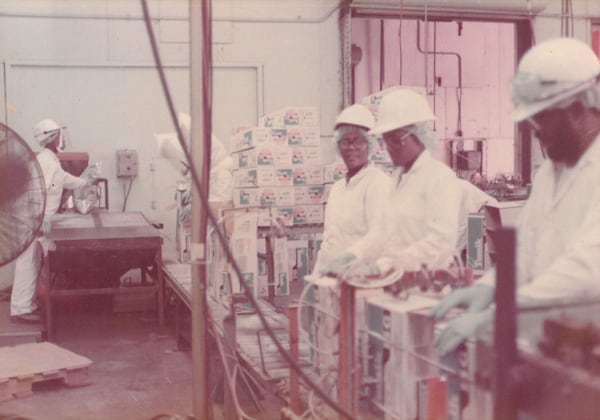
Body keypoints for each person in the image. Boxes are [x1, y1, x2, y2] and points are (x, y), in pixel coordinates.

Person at [429, 37, 600, 356]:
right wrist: (489, 286)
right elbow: (526, 246)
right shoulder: (553, 170)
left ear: (577, 110)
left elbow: (586, 270)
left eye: (541, 118)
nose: (535, 131)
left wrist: (498, 314)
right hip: (547, 339)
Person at [327, 89, 463, 280]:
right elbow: (382, 234)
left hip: (429, 282)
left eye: (395, 141)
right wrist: (353, 256)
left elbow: (439, 243)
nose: (389, 148)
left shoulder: (439, 178)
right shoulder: (398, 180)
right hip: (398, 281)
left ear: (418, 135)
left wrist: (385, 265)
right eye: (386, 141)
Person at [10, 119, 93, 323]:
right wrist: (41, 220)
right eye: (59, 135)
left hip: (37, 218)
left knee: (33, 261)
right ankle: (20, 309)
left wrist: (85, 182)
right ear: (52, 138)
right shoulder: (46, 161)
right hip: (35, 219)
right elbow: (40, 191)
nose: (62, 139)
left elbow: (63, 178)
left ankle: (24, 305)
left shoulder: (50, 159)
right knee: (28, 263)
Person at [313, 104, 391, 275]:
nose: (351, 148)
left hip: (361, 278)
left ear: (369, 145)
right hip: (332, 278)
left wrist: (348, 258)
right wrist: (317, 275)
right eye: (345, 142)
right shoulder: (338, 188)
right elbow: (329, 239)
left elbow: (379, 236)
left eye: (358, 141)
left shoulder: (378, 183)